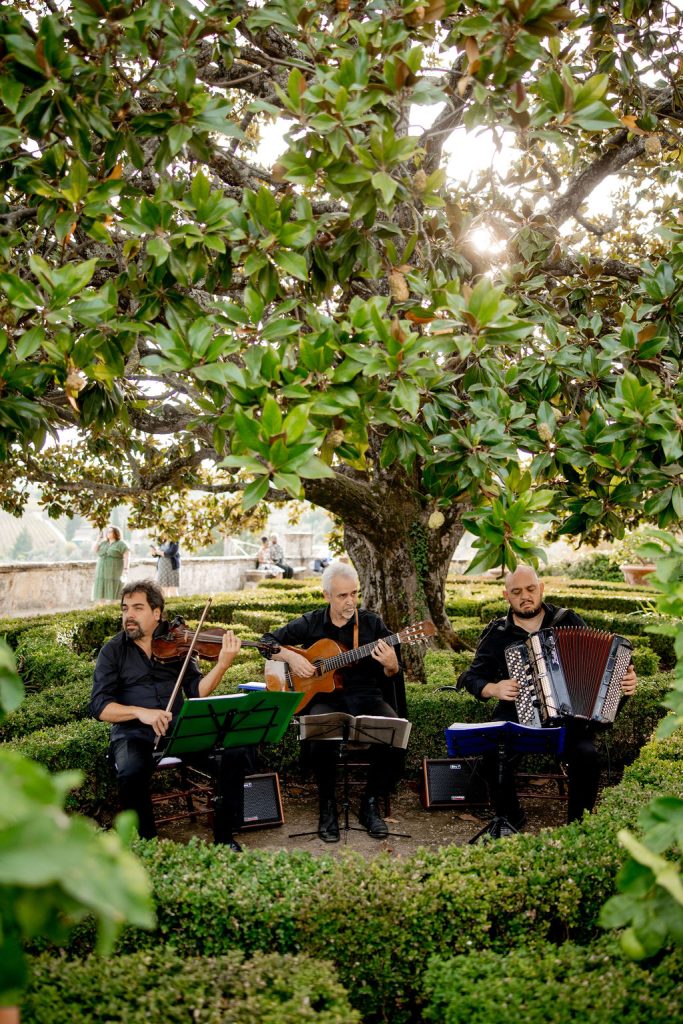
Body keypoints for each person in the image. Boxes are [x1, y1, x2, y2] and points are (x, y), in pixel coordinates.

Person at [458, 565, 638, 828]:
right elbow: (470, 678)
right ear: (506, 595)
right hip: (517, 714)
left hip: (569, 719)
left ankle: (578, 825)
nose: (525, 596)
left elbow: (604, 668)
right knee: (492, 755)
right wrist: (494, 688)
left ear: (541, 588)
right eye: (516, 592)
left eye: (530, 589)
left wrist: (625, 682)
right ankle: (511, 817)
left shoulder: (568, 620)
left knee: (586, 754)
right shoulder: (497, 633)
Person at [90, 580, 251, 851]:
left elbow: (196, 692)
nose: (129, 615)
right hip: (133, 733)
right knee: (130, 772)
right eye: (125, 608)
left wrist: (222, 664)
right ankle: (147, 843)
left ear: (157, 613)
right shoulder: (113, 650)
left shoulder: (178, 642)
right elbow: (99, 706)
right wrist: (141, 713)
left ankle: (224, 837)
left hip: (178, 728)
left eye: (137, 608)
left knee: (234, 752)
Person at [259, 562, 406, 842]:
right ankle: (327, 806)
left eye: (354, 594)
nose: (350, 601)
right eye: (342, 596)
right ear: (326, 595)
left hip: (366, 696)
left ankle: (370, 802)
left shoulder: (372, 624)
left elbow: (392, 673)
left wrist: (391, 665)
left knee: (395, 732)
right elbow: (266, 643)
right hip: (325, 698)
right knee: (319, 734)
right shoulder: (312, 622)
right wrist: (293, 657)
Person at [92, 525, 129, 604]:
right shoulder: (103, 543)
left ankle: (112, 608)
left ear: (116, 533)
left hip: (114, 570)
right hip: (101, 570)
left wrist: (125, 569)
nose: (107, 533)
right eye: (107, 531)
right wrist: (98, 540)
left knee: (114, 590)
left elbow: (127, 557)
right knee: (101, 590)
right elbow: (95, 550)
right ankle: (101, 609)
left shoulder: (121, 544)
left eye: (110, 531)